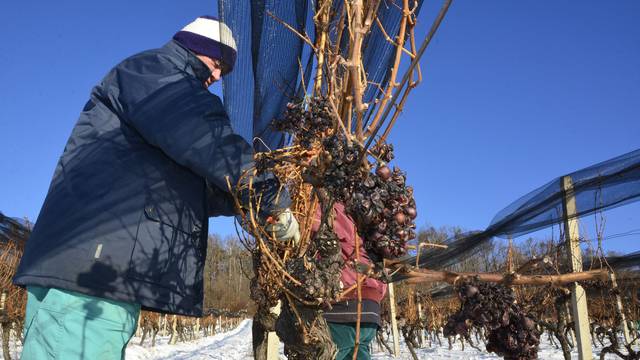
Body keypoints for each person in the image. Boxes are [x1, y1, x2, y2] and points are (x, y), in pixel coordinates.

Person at [13, 16, 299, 360]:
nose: (218, 76)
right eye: (218, 62)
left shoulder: (151, 95)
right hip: (92, 273)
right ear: (197, 48)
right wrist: (268, 196)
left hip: (87, 267)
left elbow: (186, 189)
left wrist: (241, 203)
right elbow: (206, 139)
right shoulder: (159, 75)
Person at [313, 203, 387, 360]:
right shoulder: (373, 211)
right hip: (371, 310)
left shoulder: (327, 206)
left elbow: (309, 226)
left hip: (342, 310)